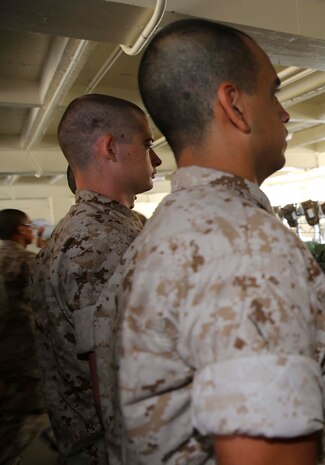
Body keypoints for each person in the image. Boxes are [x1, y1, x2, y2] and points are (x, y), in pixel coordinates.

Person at [96, 19, 325, 465]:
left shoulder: (158, 231)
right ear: (234, 105)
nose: (285, 112)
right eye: (273, 92)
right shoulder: (247, 250)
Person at [29, 93, 162, 465]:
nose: (157, 158)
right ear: (109, 147)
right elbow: (118, 380)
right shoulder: (100, 241)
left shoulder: (109, 227)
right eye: (146, 143)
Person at [0, 209, 44, 464]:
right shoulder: (25, 261)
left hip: (7, 361)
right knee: (26, 419)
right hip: (22, 360)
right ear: (20, 230)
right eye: (29, 225)